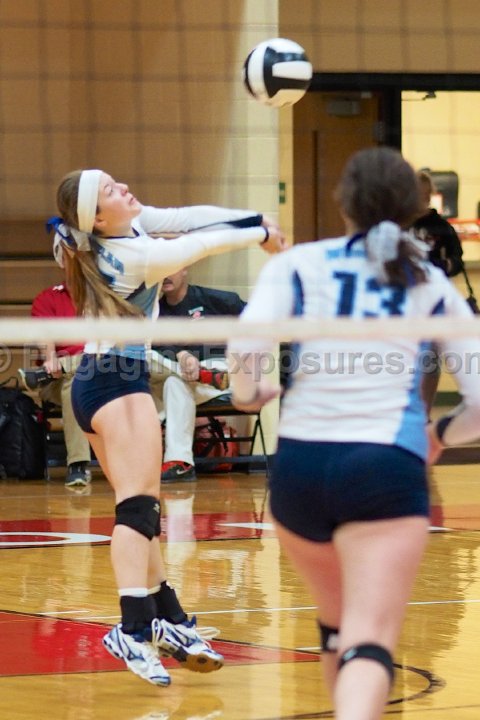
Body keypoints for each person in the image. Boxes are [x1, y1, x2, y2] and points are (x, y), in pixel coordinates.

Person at [227, 147, 480, 720]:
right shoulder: (428, 282)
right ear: (415, 208)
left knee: (337, 628)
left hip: (299, 470)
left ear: (343, 202)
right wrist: (440, 431)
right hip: (383, 467)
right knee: (369, 638)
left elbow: (245, 345)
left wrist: (248, 395)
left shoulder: (298, 264)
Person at [51, 167, 285, 687]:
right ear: (98, 217)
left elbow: (186, 218)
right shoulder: (137, 255)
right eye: (109, 190)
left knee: (142, 510)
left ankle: (169, 618)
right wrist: (260, 232)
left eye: (115, 181)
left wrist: (254, 217)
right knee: (137, 510)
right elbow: (198, 245)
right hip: (116, 380)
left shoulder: (123, 230)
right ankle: (132, 629)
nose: (122, 188)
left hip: (100, 380)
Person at [150, 267, 246, 482]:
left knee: (173, 383)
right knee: (168, 377)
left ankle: (179, 461)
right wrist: (182, 355)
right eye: (161, 268)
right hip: (189, 376)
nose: (165, 275)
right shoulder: (156, 313)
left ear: (185, 270)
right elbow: (155, 346)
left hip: (222, 370)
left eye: (172, 268)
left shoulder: (216, 299)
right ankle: (180, 462)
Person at [19, 279, 92, 488]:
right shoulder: (48, 298)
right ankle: (78, 464)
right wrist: (51, 358)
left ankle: (45, 374)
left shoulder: (102, 296)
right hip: (57, 378)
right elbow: (45, 336)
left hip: (102, 372)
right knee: (77, 381)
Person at [412, 170, 465, 415]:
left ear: (429, 195)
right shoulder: (399, 224)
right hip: (405, 300)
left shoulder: (441, 227)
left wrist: (440, 267)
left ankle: (424, 410)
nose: (420, 198)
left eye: (424, 194)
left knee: (431, 358)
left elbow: (457, 261)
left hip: (434, 301)